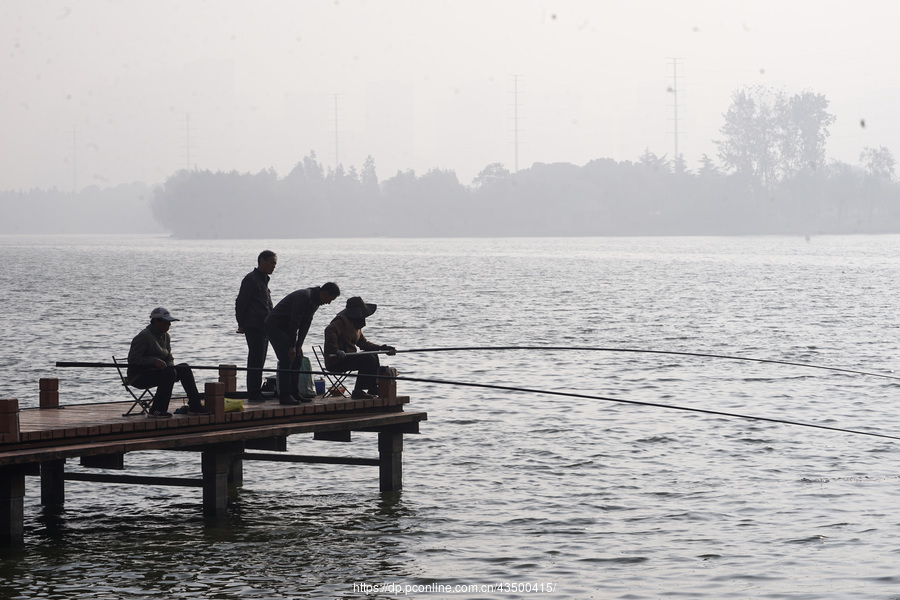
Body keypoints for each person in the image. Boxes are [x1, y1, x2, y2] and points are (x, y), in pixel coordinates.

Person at [127, 307, 210, 418]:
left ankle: (195, 406)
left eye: (169, 322)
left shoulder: (166, 336)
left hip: (160, 372)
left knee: (184, 368)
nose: (169, 325)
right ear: (156, 321)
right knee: (169, 373)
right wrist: (154, 361)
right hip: (140, 376)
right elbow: (133, 359)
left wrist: (169, 366)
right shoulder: (144, 336)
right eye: (166, 322)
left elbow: (169, 357)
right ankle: (156, 410)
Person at [265, 282, 341, 404]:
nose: (329, 303)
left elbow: (305, 324)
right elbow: (295, 321)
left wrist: (299, 345)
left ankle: (294, 393)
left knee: (298, 358)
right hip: (275, 326)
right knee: (286, 358)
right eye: (330, 299)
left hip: (287, 328)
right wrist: (291, 346)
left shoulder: (315, 302)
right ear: (324, 293)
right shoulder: (304, 297)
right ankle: (284, 395)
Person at [324, 296, 396, 400]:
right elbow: (329, 330)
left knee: (373, 355)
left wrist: (382, 348)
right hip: (337, 360)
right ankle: (358, 391)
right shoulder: (342, 320)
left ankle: (372, 387)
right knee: (368, 359)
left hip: (349, 357)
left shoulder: (355, 326)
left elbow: (364, 344)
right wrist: (335, 349)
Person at [235, 250, 277, 403]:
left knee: (260, 360)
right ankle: (253, 392)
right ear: (262, 261)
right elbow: (241, 302)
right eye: (271, 262)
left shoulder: (263, 280)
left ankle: (256, 391)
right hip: (254, 325)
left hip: (265, 326)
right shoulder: (251, 279)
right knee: (255, 359)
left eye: (275, 264)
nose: (274, 266)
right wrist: (241, 323)